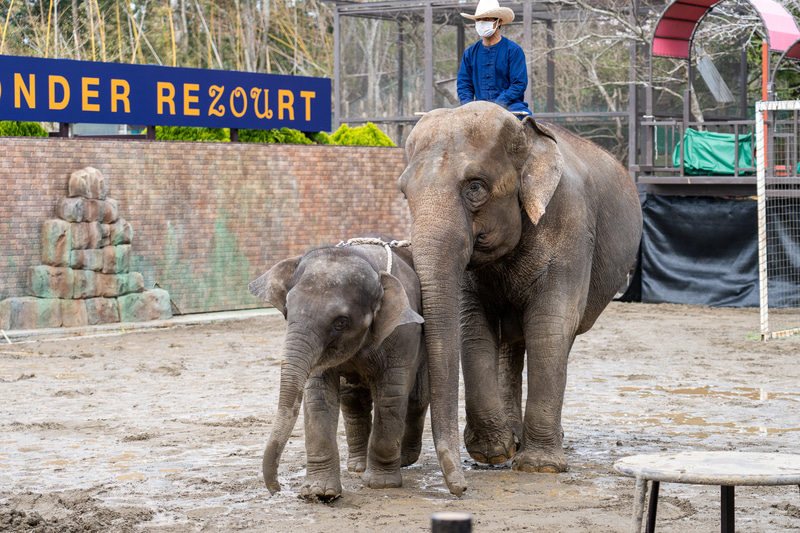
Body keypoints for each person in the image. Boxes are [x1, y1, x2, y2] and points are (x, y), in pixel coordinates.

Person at [457, 0, 531, 118]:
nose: (481, 23)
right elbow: (464, 84)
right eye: (478, 20)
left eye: (486, 19)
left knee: (527, 126)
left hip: (511, 107)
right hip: (478, 109)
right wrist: (469, 107)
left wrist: (497, 104)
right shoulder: (469, 53)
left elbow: (518, 84)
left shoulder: (513, 51)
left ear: (499, 21)